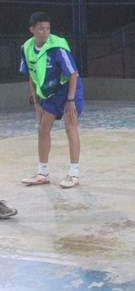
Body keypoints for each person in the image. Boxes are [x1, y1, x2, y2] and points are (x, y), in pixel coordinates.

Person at [20, 11, 84, 188]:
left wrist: (70, 100)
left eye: (47, 28)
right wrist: (37, 104)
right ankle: (42, 173)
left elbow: (73, 73)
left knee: (70, 126)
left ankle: (74, 174)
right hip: (50, 92)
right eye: (40, 29)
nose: (45, 32)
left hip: (69, 87)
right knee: (43, 128)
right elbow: (32, 77)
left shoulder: (58, 47)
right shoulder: (26, 48)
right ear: (32, 30)